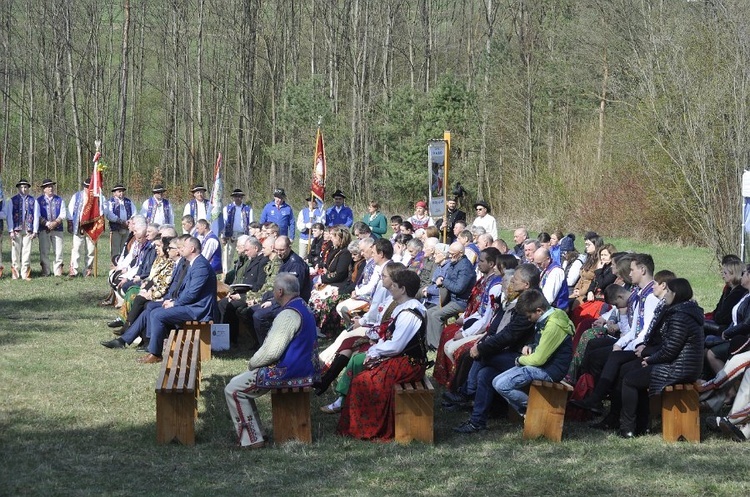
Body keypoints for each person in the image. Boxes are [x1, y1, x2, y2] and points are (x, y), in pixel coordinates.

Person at [224, 273, 321, 448]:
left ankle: (251, 440)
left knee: (233, 389)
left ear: (280, 291)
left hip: (289, 371)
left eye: (274, 289)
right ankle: (257, 433)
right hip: (306, 369)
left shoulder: (288, 314)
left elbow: (271, 352)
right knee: (237, 384)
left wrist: (253, 364)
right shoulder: (303, 306)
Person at [333, 270, 428, 440]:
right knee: (363, 377)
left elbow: (396, 346)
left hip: (410, 364)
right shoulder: (403, 308)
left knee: (365, 381)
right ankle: (359, 424)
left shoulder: (410, 313)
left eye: (394, 285)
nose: (390, 288)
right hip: (402, 359)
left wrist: (374, 351)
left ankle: (367, 428)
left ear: (403, 289)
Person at [450, 264, 539, 433]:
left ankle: (467, 393)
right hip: (516, 353)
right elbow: (499, 329)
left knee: (483, 357)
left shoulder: (531, 304)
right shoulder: (526, 298)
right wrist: (483, 344)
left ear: (526, 285)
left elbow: (509, 335)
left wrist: (482, 349)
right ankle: (477, 422)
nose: (511, 282)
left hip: (528, 359)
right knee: (485, 374)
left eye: (515, 280)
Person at [617, 278, 704, 438]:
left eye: (669, 292)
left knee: (630, 380)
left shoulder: (680, 316)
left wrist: (650, 359)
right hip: (682, 366)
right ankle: (641, 426)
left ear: (676, 294)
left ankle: (627, 428)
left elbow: (670, 350)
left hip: (679, 369)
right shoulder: (686, 312)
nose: (666, 295)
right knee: (634, 373)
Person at [492, 288, 574, 418]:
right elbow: (542, 345)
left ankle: (536, 410)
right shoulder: (546, 318)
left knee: (503, 385)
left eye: (529, 316)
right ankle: (528, 412)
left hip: (551, 370)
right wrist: (531, 346)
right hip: (542, 366)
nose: (529, 320)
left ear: (539, 311)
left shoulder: (553, 325)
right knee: (496, 381)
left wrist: (519, 360)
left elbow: (539, 360)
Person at [137, 236, 218, 364]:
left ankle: (156, 353)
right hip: (191, 306)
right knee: (153, 309)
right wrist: (173, 301)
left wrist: (175, 303)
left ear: (192, 249)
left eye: (183, 247)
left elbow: (192, 293)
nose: (181, 250)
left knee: (158, 315)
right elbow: (185, 291)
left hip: (198, 309)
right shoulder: (194, 263)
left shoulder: (201, 266)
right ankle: (156, 346)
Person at [425, 241, 476, 349]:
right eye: (449, 253)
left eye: (452, 254)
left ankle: (438, 346)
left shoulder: (465, 267)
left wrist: (443, 281)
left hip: (460, 302)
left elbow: (459, 288)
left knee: (436, 315)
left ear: (460, 253)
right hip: (451, 299)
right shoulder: (455, 263)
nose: (450, 256)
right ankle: (430, 343)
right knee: (429, 312)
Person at [6, 179, 39, 280]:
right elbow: (9, 216)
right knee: (15, 252)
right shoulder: (13, 200)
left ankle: (25, 274)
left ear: (28, 188)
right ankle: (15, 274)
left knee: (27, 252)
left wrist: (35, 231)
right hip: (16, 230)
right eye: (21, 187)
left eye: (25, 187)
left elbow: (36, 216)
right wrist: (11, 230)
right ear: (18, 188)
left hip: (28, 230)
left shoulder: (33, 200)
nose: (23, 189)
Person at [36, 179, 66, 277]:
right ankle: (46, 271)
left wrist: (56, 222)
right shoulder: (39, 201)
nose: (51, 188)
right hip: (44, 229)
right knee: (44, 251)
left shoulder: (59, 200)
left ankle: (58, 272)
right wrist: (47, 223)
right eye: (48, 187)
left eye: (52, 186)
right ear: (44, 189)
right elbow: (37, 215)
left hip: (58, 229)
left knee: (58, 251)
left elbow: (63, 214)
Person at [222, 188, 253, 274]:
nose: (237, 198)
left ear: (242, 198)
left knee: (245, 254)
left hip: (243, 235)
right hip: (230, 235)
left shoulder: (248, 209)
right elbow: (224, 223)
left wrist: (250, 237)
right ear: (233, 198)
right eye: (236, 196)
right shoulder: (227, 208)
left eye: (239, 196)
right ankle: (226, 273)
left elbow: (250, 223)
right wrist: (223, 236)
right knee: (228, 255)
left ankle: (244, 271)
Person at [107, 183, 135, 260]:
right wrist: (120, 221)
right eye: (119, 191)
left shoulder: (128, 202)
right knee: (115, 249)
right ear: (114, 192)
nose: (121, 193)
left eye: (122, 191)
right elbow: (109, 215)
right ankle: (114, 265)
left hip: (127, 228)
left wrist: (130, 221)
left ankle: (124, 265)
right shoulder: (110, 202)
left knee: (126, 248)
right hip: (116, 228)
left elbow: (134, 212)